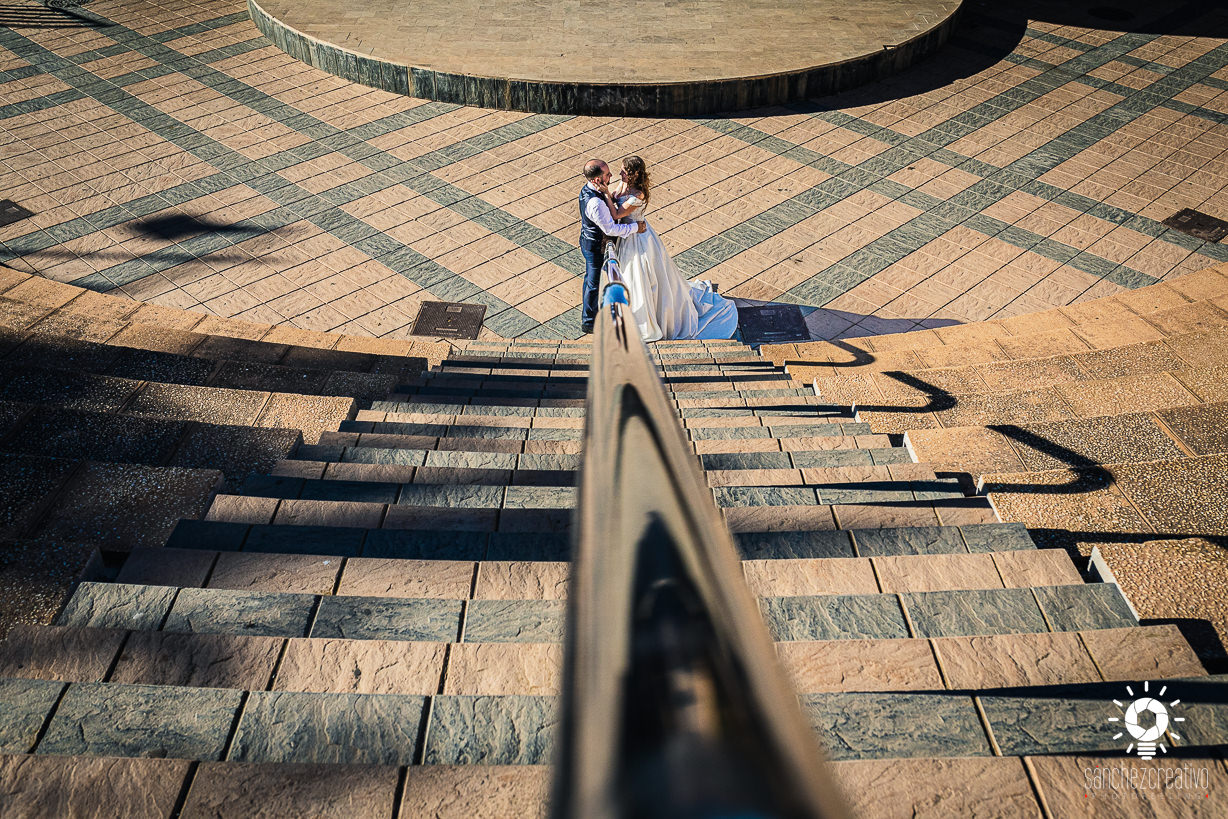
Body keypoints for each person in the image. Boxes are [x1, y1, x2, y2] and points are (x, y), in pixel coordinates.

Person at [604, 156, 738, 341]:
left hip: (638, 237)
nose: (620, 173)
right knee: (631, 275)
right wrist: (610, 193)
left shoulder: (638, 194)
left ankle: (646, 319)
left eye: (623, 171)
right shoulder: (624, 185)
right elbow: (615, 198)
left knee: (642, 275)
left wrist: (604, 193)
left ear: (632, 174)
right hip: (628, 234)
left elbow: (617, 214)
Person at [578, 159, 646, 334]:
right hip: (595, 245)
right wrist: (635, 227)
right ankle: (589, 322)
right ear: (597, 180)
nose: (612, 175)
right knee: (593, 282)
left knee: (593, 279)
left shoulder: (590, 189)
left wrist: (607, 193)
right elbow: (611, 229)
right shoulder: (596, 203)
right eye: (607, 174)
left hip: (592, 240)